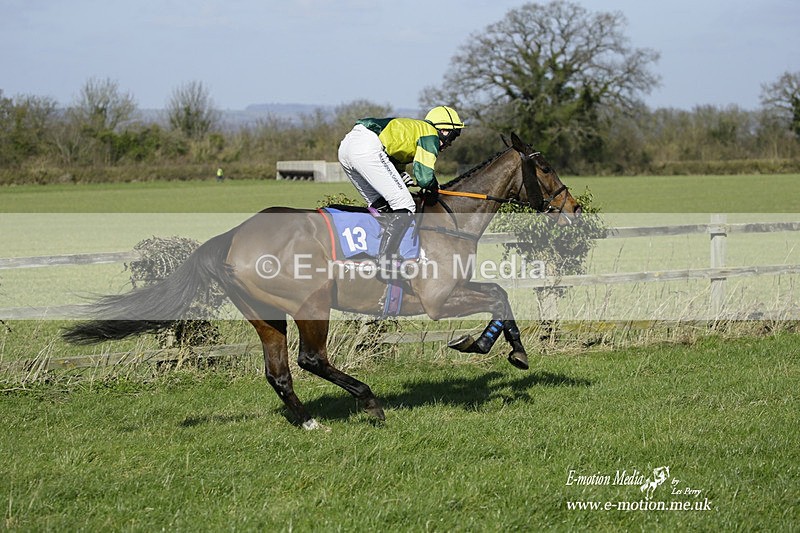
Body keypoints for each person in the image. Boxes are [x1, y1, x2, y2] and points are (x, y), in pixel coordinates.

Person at [338, 105, 465, 269]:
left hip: (347, 146)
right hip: (367, 147)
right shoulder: (430, 134)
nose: (451, 143)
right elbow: (425, 177)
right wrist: (433, 187)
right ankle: (385, 260)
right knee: (405, 206)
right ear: (444, 130)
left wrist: (404, 178)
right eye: (453, 136)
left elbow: (393, 166)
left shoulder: (415, 130)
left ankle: (369, 251)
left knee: (381, 206)